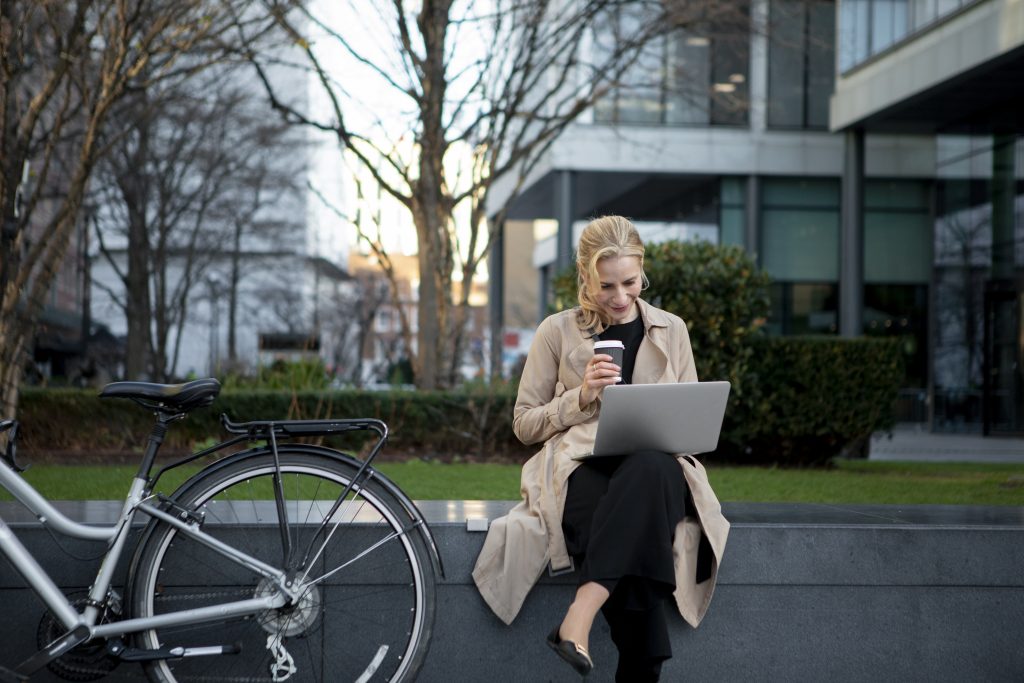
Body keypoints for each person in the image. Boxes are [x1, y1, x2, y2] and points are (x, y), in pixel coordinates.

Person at [472, 216, 730, 681]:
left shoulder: (672, 329)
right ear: (585, 277)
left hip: (656, 472)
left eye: (630, 283)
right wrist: (581, 397)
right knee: (641, 622)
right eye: (605, 285)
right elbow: (524, 424)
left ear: (642, 272)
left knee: (650, 469)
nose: (619, 296)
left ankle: (580, 615)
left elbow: (691, 418)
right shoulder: (557, 331)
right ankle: (634, 656)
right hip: (582, 469)